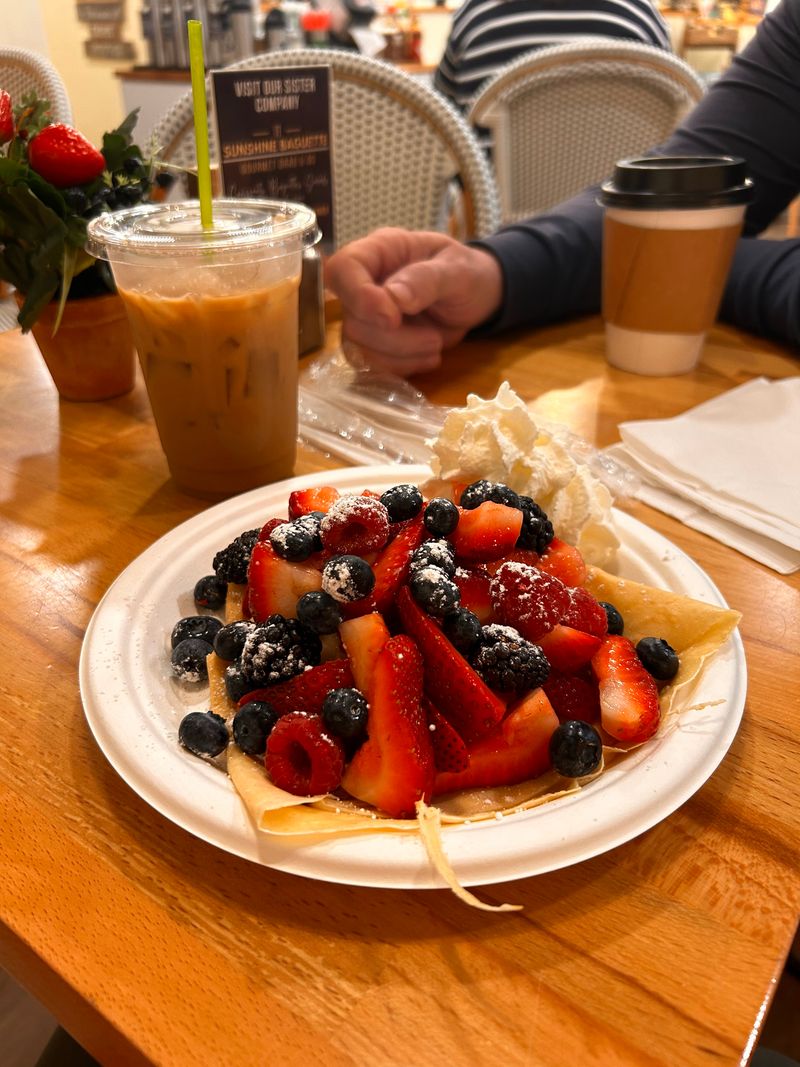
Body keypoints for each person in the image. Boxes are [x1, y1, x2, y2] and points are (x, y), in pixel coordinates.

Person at [325, 0, 800, 376]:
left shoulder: (475, 14)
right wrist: (492, 269)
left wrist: (681, 256)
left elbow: (452, 120)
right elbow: (675, 184)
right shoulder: (642, 13)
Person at [433, 0, 671, 114]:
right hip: (618, 208)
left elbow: (443, 125)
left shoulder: (474, 18)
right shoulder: (639, 16)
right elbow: (676, 115)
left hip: (496, 208)